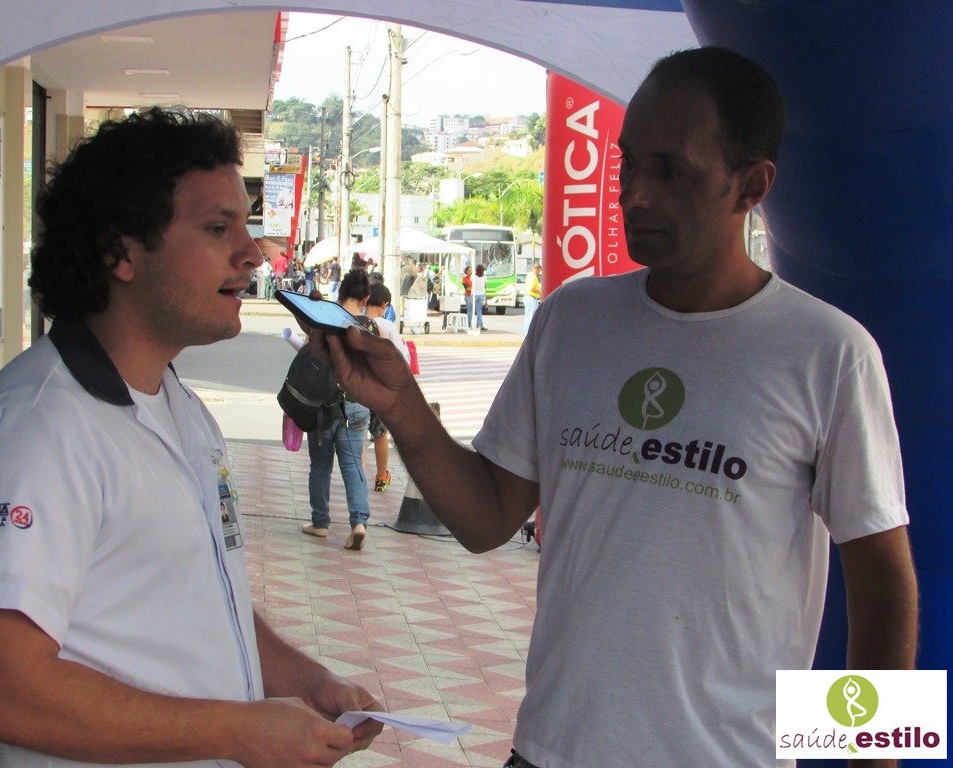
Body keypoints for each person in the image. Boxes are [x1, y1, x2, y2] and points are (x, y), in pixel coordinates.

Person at [314, 47, 918, 768]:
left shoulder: (829, 352)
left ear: (751, 185)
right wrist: (402, 405)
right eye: (628, 163)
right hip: (549, 750)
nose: (635, 194)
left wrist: (871, 760)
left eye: (671, 171)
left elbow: (884, 582)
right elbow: (486, 520)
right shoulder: (573, 318)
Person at [0, 107, 384, 768]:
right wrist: (237, 731)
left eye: (246, 225)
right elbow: (5, 694)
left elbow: (198, 596)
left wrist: (305, 682)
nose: (251, 253)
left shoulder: (182, 408)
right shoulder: (34, 431)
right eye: (217, 228)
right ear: (120, 252)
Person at [302, 268, 378, 551]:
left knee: (320, 466)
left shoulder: (325, 319)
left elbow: (310, 354)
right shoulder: (370, 329)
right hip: (356, 406)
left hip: (324, 406)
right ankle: (358, 523)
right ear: (366, 298)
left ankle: (320, 523)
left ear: (340, 292)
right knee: (353, 464)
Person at [365, 281, 410, 493]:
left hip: (358, 386)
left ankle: (358, 475)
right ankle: (381, 477)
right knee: (379, 433)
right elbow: (402, 359)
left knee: (358, 434)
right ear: (385, 304)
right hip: (381, 388)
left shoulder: (356, 322)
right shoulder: (388, 327)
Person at [522, 262, 542, 334]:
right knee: (530, 317)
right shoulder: (533, 276)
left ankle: (529, 332)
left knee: (531, 316)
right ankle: (527, 333)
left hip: (531, 298)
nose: (539, 272)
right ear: (537, 269)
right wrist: (540, 291)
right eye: (539, 270)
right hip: (531, 298)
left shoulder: (530, 275)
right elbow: (532, 288)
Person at [471, 263, 487, 331]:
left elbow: (471, 285)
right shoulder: (485, 277)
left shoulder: (473, 277)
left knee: (474, 310)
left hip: (474, 295)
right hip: (482, 295)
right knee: (479, 311)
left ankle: (478, 325)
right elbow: (485, 287)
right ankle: (480, 325)